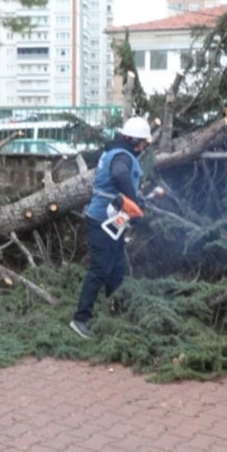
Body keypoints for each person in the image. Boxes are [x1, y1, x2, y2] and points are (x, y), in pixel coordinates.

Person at [70, 116, 153, 339]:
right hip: (102, 221)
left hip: (111, 221)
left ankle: (115, 313)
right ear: (135, 141)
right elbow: (119, 175)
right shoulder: (122, 156)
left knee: (117, 269)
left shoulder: (117, 152)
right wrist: (133, 200)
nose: (144, 147)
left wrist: (136, 200)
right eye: (144, 142)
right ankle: (80, 319)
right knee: (100, 269)